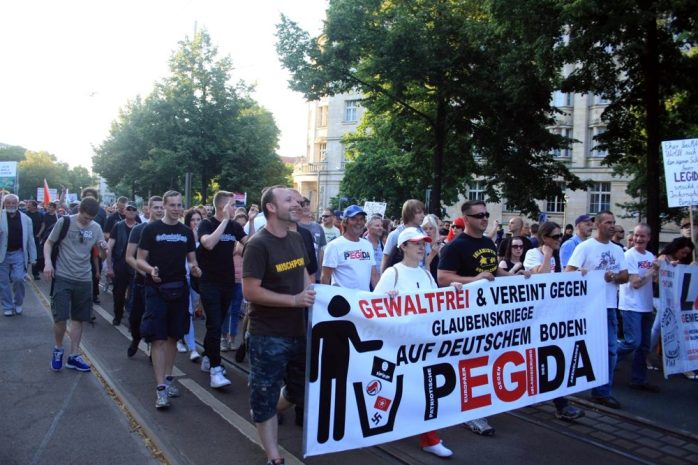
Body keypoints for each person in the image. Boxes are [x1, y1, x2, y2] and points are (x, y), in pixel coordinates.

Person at [438, 200, 527, 436]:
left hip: (488, 314)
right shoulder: (455, 246)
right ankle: (468, 412)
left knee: (486, 359)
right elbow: (443, 278)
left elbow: (493, 270)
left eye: (486, 214)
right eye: (479, 215)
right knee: (468, 362)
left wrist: (517, 277)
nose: (484, 218)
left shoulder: (488, 242)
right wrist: (474, 280)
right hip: (465, 315)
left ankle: (478, 403)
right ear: (466, 219)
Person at [242, 185, 316, 465]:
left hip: (298, 331)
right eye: (289, 200)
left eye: (297, 200)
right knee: (265, 390)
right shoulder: (257, 244)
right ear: (271, 208)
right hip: (267, 334)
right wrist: (293, 300)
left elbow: (305, 277)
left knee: (298, 390)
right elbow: (250, 291)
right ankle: (274, 456)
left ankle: (265, 412)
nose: (297, 204)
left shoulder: (297, 238)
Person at [373, 227, 454, 457]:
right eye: (416, 243)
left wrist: (454, 292)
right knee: (392, 390)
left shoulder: (426, 274)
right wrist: (387, 301)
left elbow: (437, 305)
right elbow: (372, 308)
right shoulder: (392, 274)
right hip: (397, 347)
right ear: (403, 246)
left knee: (426, 390)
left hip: (423, 345)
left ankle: (429, 438)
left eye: (423, 243)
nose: (422, 247)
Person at [137, 191, 201, 409]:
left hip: (179, 289)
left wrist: (195, 269)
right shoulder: (151, 229)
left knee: (174, 337)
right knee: (158, 339)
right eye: (172, 205)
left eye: (179, 205)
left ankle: (168, 377)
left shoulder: (186, 232)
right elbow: (140, 259)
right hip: (156, 290)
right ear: (164, 206)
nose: (176, 208)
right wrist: (150, 270)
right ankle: (161, 388)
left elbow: (192, 260)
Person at [565, 211, 628, 409]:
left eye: (614, 222)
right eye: (608, 222)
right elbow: (569, 272)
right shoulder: (585, 247)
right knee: (580, 348)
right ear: (598, 225)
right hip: (587, 307)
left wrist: (614, 277)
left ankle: (602, 392)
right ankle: (568, 386)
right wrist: (585, 274)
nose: (612, 226)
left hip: (609, 306)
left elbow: (625, 276)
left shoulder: (617, 250)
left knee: (610, 350)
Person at [523, 221, 585, 421]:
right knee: (535, 355)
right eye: (556, 236)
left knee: (552, 355)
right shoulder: (533, 254)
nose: (560, 239)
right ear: (544, 238)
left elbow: (560, 281)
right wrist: (547, 255)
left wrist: (578, 275)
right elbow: (540, 279)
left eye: (560, 236)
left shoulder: (558, 255)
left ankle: (560, 403)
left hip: (552, 314)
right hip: (534, 316)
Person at [45, 197, 107, 372]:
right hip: (63, 276)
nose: (88, 221)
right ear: (79, 210)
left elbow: (101, 256)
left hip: (84, 278)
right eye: (85, 217)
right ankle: (58, 349)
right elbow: (49, 243)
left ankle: (74, 355)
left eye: (91, 218)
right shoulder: (65, 222)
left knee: (79, 318)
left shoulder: (96, 228)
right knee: (60, 318)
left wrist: (104, 248)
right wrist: (48, 263)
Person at [197, 191, 251, 389]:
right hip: (208, 281)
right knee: (214, 324)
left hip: (228, 282)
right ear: (222, 206)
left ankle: (207, 356)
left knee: (217, 322)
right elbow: (209, 244)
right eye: (232, 205)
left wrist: (252, 222)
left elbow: (250, 244)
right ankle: (215, 369)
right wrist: (225, 221)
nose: (236, 208)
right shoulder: (206, 224)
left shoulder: (235, 226)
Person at [617, 224, 660, 392]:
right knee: (632, 342)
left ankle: (638, 379)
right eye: (636, 235)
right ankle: (606, 360)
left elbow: (654, 280)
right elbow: (635, 283)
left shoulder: (650, 256)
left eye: (642, 236)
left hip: (646, 306)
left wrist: (659, 271)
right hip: (631, 306)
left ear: (648, 238)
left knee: (644, 346)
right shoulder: (629, 256)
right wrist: (651, 271)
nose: (638, 239)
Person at [124, 196, 164, 358]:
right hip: (141, 282)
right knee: (135, 318)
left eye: (162, 207)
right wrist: (146, 272)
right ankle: (136, 338)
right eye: (156, 207)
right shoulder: (138, 229)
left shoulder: (169, 229)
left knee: (155, 319)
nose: (159, 210)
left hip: (160, 284)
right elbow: (129, 257)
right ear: (148, 209)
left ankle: (153, 351)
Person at [651, 237, 696, 379]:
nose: (684, 255)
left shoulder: (684, 262)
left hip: (676, 300)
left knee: (661, 328)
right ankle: (644, 354)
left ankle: (645, 354)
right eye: (683, 252)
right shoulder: (663, 258)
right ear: (676, 248)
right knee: (660, 328)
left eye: (687, 253)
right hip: (661, 298)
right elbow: (657, 280)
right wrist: (669, 268)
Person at [321, 205, 379, 291]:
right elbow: (325, 278)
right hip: (342, 298)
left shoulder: (367, 245)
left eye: (362, 219)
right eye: (354, 219)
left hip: (363, 298)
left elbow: (374, 276)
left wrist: (382, 294)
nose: (359, 222)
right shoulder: (334, 246)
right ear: (345, 222)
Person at [1, 194, 38, 316]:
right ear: (4, 204)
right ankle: (7, 306)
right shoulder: (0, 216)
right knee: (3, 282)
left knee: (18, 279)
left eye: (13, 203)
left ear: (18, 204)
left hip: (18, 253)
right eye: (8, 203)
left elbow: (30, 239)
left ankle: (18, 303)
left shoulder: (26, 219)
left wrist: (33, 257)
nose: (11, 205)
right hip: (2, 254)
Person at [106, 201, 139, 325]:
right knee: (119, 293)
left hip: (136, 264)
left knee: (135, 294)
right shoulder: (118, 226)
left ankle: (132, 319)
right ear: (124, 211)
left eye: (133, 209)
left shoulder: (140, 226)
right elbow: (109, 247)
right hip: (121, 264)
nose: (131, 211)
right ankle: (118, 315)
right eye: (128, 209)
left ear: (137, 212)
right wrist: (110, 267)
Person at [178, 208, 203, 360]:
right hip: (184, 278)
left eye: (198, 220)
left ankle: (181, 336)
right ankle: (193, 348)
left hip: (198, 280)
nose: (196, 223)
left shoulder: (205, 238)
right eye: (193, 220)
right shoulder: (184, 235)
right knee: (187, 312)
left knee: (191, 310)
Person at [381, 199, 426, 273]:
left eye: (423, 212)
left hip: (420, 274)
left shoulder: (423, 233)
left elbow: (426, 260)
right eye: (419, 213)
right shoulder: (395, 234)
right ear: (409, 214)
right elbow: (386, 259)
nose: (423, 216)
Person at [298, 197, 326, 283]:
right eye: (303, 205)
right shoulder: (295, 226)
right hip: (300, 272)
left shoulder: (318, 227)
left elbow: (321, 250)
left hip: (315, 272)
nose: (306, 207)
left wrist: (321, 269)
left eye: (307, 204)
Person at [25, 200, 43, 280]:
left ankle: (35, 273)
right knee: (25, 255)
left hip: (36, 237)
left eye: (30, 204)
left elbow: (43, 225)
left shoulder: (40, 215)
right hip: (26, 236)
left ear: (34, 206)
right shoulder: (25, 214)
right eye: (27, 204)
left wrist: (39, 234)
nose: (28, 206)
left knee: (35, 255)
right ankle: (24, 272)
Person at [421, 213, 442, 281]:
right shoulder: (420, 246)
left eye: (431, 228)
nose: (428, 231)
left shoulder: (441, 245)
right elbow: (420, 270)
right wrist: (432, 254)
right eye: (425, 228)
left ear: (435, 229)